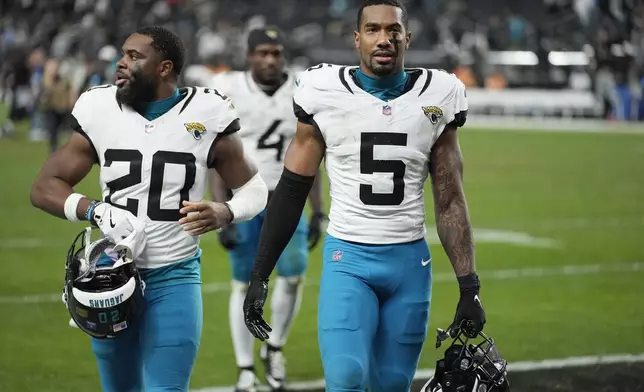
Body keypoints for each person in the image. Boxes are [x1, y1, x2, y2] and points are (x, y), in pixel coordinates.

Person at [242, 1, 487, 391]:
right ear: (357, 39)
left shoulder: (439, 94)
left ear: (407, 37)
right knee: (346, 378)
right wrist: (260, 273)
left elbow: (450, 199)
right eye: (373, 29)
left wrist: (469, 287)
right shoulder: (323, 91)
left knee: (392, 384)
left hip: (409, 264)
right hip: (348, 262)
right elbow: (291, 189)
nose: (384, 38)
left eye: (393, 30)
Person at [30, 26, 268, 392]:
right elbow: (44, 187)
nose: (121, 63)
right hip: (110, 277)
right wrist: (94, 210)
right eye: (123, 54)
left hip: (175, 276)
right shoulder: (99, 108)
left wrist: (226, 212)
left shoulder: (206, 112)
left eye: (134, 56)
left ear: (164, 67)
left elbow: (254, 188)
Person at [209, 26, 325, 392]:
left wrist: (318, 211)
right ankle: (245, 368)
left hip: (286, 197)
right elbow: (217, 153)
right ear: (249, 56)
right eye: (263, 52)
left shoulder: (302, 89)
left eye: (276, 52)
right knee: (242, 284)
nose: (270, 59)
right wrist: (222, 207)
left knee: (292, 277)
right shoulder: (229, 88)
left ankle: (274, 349)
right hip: (244, 197)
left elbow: (312, 152)